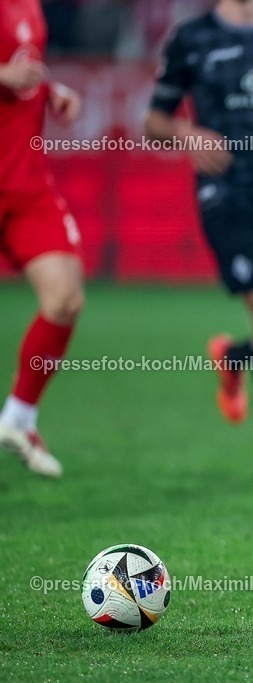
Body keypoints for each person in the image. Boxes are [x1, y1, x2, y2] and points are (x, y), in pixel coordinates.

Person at [144, 0, 253, 474]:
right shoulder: (192, 37)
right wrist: (188, 134)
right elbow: (154, 122)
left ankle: (235, 354)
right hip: (226, 197)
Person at [0, 0, 84, 478]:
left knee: (65, 299)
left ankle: (17, 418)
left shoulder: (29, 5)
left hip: (25, 183)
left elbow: (19, 67)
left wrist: (49, 88)